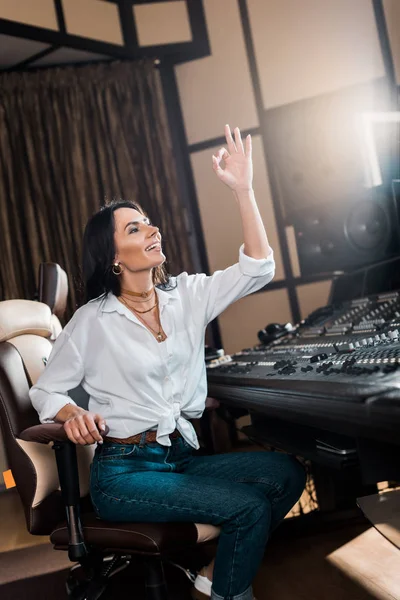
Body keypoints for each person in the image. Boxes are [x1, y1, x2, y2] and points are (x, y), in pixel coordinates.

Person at [30, 125, 306, 600]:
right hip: (124, 472)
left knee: (286, 474)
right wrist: (71, 413)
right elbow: (45, 391)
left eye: (149, 221)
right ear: (114, 257)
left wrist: (244, 190)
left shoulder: (187, 294)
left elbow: (259, 267)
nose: (152, 228)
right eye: (134, 228)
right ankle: (230, 594)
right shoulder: (91, 321)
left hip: (178, 458)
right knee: (248, 507)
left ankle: (214, 578)